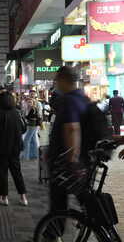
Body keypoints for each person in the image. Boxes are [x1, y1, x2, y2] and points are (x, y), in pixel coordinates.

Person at [47, 66, 90, 231]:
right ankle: (53, 232)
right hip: (78, 161)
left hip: (65, 163)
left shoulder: (69, 100)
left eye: (57, 79)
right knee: (79, 198)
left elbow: (72, 128)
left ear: (64, 79)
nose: (56, 83)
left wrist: (71, 160)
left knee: (59, 200)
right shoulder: (82, 97)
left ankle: (52, 233)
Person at [0, 91, 28, 206]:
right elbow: (23, 129)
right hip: (15, 147)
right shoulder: (17, 112)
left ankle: (4, 197)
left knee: (2, 173)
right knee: (17, 172)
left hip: (1, 147)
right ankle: (23, 197)